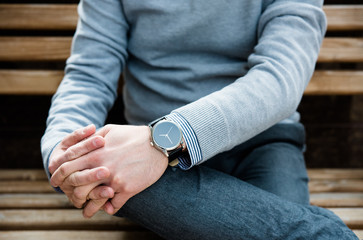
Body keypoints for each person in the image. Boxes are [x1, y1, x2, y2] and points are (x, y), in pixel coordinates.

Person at [41, 0, 358, 239]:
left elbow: (280, 79)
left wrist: (167, 139)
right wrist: (63, 150)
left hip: (261, 143)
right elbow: (88, 78)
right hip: (148, 163)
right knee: (102, 173)